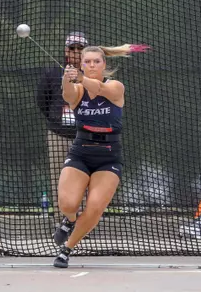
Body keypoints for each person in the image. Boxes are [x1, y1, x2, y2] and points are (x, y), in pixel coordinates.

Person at [52, 43, 150, 268]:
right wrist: (67, 78)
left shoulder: (115, 86)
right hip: (81, 152)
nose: (92, 65)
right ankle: (69, 219)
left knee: (95, 206)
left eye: (96, 61)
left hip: (108, 156)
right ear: (81, 65)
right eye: (87, 62)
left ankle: (66, 249)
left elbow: (100, 89)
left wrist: (79, 77)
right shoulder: (78, 90)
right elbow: (68, 95)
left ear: (104, 64)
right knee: (68, 204)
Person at [36, 32, 89, 222]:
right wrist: (54, 119)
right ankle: (62, 222)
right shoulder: (53, 71)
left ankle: (82, 223)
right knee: (60, 178)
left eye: (80, 48)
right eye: (72, 48)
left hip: (85, 136)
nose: (76, 52)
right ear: (66, 50)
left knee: (84, 179)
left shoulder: (91, 74)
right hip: (58, 135)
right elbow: (43, 100)